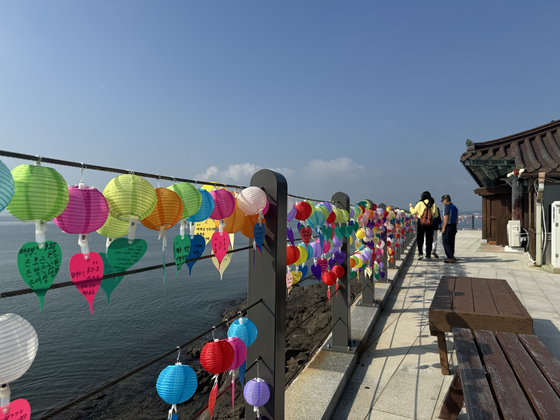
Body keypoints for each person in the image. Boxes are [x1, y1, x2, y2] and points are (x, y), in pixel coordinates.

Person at [409, 191, 439, 261]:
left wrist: (410, 207)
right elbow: (436, 215)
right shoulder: (433, 204)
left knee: (420, 239)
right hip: (430, 224)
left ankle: (420, 254)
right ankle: (428, 256)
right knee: (429, 240)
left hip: (421, 223)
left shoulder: (420, 203)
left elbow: (413, 212)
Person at [441, 194, 458, 263]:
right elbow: (456, 218)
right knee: (451, 241)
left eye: (443, 201)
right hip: (453, 226)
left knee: (446, 241)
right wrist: (455, 226)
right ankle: (452, 255)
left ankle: (450, 257)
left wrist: (443, 227)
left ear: (446, 200)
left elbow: (446, 217)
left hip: (448, 226)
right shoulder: (454, 207)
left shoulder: (447, 207)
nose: (442, 202)